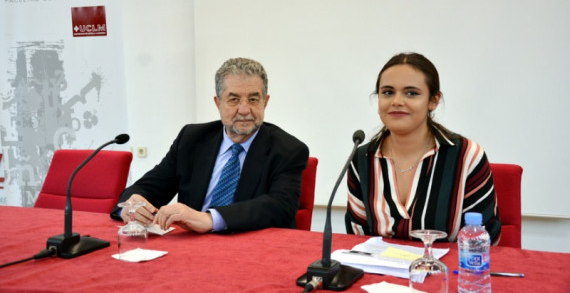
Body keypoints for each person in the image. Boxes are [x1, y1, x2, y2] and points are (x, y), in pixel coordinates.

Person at [111, 57, 309, 233]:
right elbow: (150, 186)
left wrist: (210, 219)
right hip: (191, 251)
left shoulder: (287, 149)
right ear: (218, 103)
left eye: (253, 99)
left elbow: (280, 207)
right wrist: (130, 206)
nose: (244, 110)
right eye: (233, 99)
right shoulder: (192, 139)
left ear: (265, 102)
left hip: (252, 252)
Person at [345, 52, 501, 243]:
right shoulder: (363, 158)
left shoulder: (466, 156)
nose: (397, 101)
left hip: (445, 271)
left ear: (433, 100)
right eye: (387, 92)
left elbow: (484, 240)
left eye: (411, 93)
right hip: (380, 271)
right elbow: (356, 238)